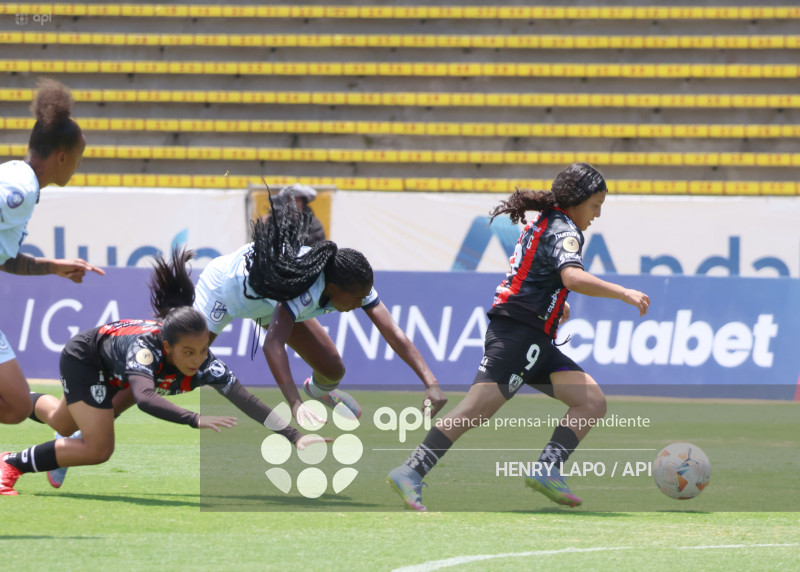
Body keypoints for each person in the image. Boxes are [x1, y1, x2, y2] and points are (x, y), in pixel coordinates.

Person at [386, 163, 650, 511]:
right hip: (518, 335)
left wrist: (555, 305)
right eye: (595, 205)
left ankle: (547, 469)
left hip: (532, 335)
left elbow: (535, 274)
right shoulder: (565, 230)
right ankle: (411, 470)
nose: (597, 215)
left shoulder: (546, 222)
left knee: (591, 402)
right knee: (476, 410)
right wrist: (623, 292)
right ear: (577, 201)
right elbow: (571, 277)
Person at [0, 248, 324, 495]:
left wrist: (294, 436)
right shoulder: (147, 349)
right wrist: (193, 419)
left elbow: (246, 400)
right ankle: (11, 462)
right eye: (187, 352)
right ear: (167, 347)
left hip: (111, 364)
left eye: (202, 350)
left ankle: (16, 400)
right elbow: (143, 397)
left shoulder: (204, 361)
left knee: (60, 419)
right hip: (86, 359)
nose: (197, 360)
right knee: (99, 448)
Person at [0, 78, 104, 425]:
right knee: (14, 406)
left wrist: (52, 266)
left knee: (15, 405)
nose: (78, 164)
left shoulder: (20, 181)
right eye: (79, 156)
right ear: (62, 156)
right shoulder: (19, 189)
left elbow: (5, 258)